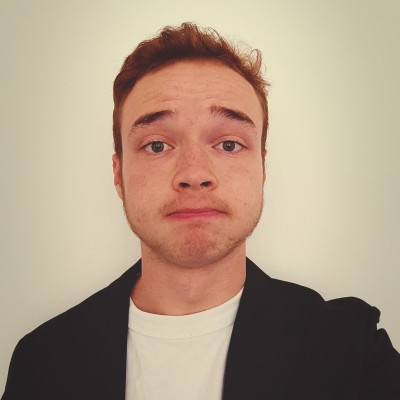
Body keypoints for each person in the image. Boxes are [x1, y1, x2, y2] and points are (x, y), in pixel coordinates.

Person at [2, 22, 400, 400]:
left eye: (228, 144)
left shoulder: (353, 351)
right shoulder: (43, 363)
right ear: (118, 174)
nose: (194, 174)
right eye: (157, 145)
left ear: (262, 168)